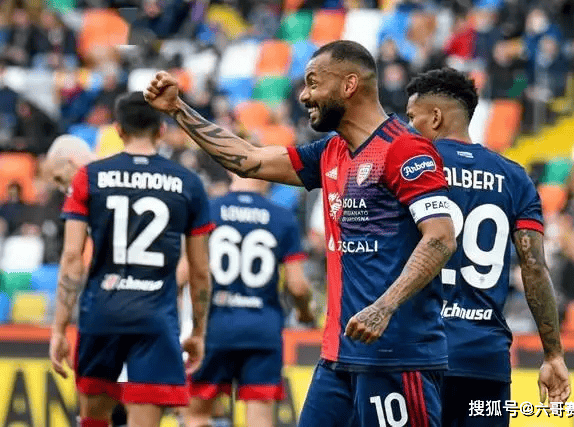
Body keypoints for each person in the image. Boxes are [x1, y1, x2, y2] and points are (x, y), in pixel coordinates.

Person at [144, 40, 457, 427]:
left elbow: (441, 237)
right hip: (338, 357)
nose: (304, 95)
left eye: (313, 83)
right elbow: (249, 160)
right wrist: (178, 108)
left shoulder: (404, 150)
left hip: (397, 356)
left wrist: (383, 307)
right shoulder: (330, 152)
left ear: (349, 85)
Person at [405, 68, 571, 426]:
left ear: (435, 117)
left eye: (412, 117)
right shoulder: (514, 177)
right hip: (486, 358)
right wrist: (553, 354)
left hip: (420, 354)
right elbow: (534, 267)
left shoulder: (412, 169)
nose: (407, 127)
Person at [48, 92, 213, 427]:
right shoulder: (189, 183)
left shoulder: (88, 177)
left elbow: (72, 258)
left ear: (118, 130)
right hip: (156, 318)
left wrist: (60, 328)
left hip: (102, 313)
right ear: (161, 130)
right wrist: (198, 330)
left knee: (93, 420)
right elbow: (199, 270)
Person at [184, 170, 315, 427]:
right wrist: (304, 312)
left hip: (215, 329)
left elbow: (185, 272)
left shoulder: (209, 209)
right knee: (260, 419)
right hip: (262, 330)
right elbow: (298, 286)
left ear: (229, 170)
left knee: (197, 416)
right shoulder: (282, 216)